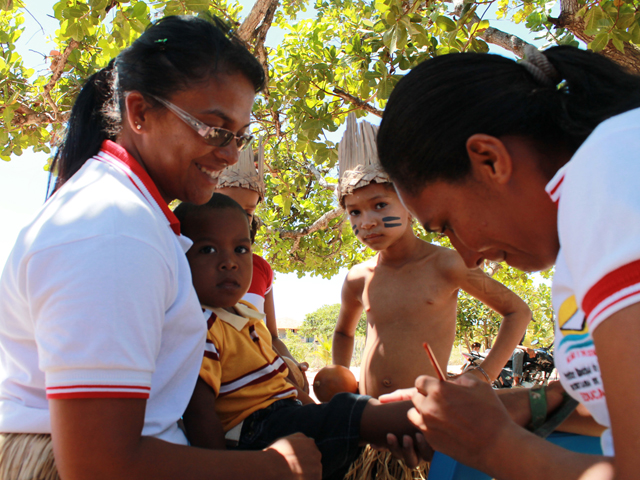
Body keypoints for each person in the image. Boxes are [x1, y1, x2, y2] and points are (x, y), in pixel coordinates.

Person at [0, 15, 321, 480]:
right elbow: (98, 465)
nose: (231, 154)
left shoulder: (133, 218)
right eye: (214, 128)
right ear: (140, 113)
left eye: (240, 135)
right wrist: (270, 467)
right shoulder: (114, 232)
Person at [377, 45, 640, 479]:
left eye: (446, 225)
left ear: (489, 160)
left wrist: (492, 444)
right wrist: (520, 404)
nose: (465, 255)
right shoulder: (587, 208)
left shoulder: (607, 173)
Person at [176, 194, 429, 480]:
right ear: (177, 259)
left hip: (284, 416)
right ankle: (442, 423)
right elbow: (199, 411)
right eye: (208, 250)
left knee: (343, 420)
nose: (229, 262)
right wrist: (221, 470)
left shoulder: (248, 315)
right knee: (351, 411)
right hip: (251, 434)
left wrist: (320, 413)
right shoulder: (199, 324)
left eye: (241, 249)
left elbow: (284, 386)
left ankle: (425, 425)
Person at [332, 113, 532, 399]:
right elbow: (343, 333)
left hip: (425, 418)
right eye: (354, 211)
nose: (366, 222)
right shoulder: (357, 279)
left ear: (409, 203)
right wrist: (339, 377)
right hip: (369, 417)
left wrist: (483, 374)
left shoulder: (446, 264)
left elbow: (518, 312)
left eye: (380, 205)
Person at [215, 142, 309, 387]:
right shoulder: (186, 262)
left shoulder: (261, 269)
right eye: (225, 206)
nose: (236, 218)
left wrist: (292, 364)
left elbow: (273, 337)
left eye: (247, 211)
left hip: (266, 381)